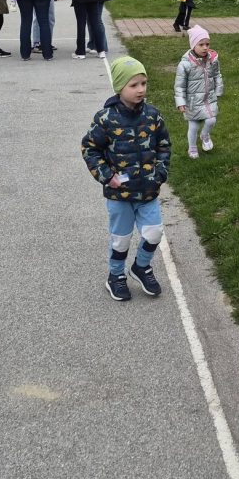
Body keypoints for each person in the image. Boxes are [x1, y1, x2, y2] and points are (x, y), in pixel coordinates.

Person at [81, 56, 171, 302]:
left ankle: (141, 267)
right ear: (120, 87)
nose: (141, 89)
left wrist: (160, 172)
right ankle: (116, 275)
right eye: (134, 85)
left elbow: (164, 145)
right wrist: (106, 176)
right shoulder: (106, 119)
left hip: (147, 192)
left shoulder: (153, 116)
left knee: (153, 234)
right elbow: (90, 149)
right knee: (120, 240)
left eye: (144, 83)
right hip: (119, 194)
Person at [175, 25, 224, 159]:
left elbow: (217, 75)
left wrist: (219, 89)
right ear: (193, 45)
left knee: (211, 120)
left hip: (209, 98)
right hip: (193, 101)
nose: (205, 47)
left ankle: (205, 135)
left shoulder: (212, 60)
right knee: (194, 125)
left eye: (207, 44)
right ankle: (192, 147)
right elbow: (179, 85)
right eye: (201, 44)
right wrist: (180, 101)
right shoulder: (185, 64)